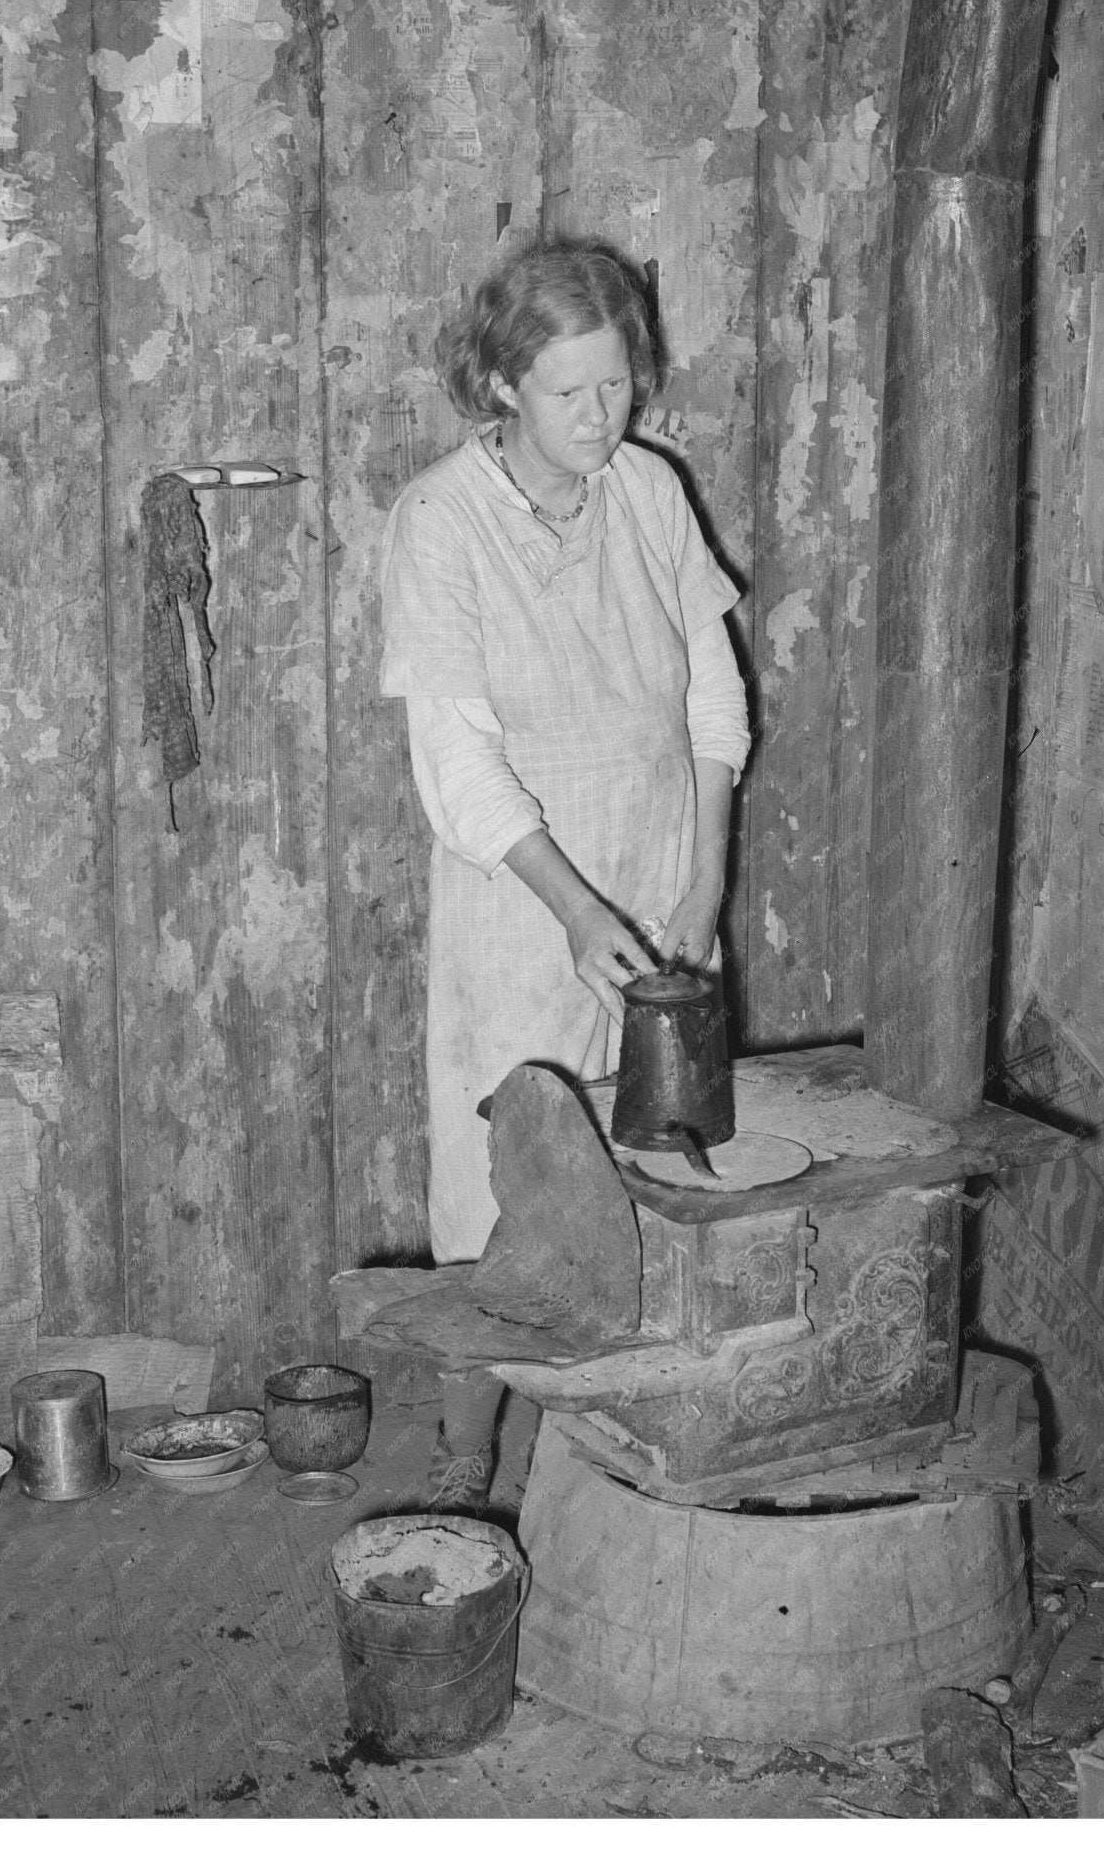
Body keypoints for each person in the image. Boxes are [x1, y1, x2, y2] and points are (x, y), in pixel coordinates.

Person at [378, 236, 751, 1511]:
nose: (603, 418)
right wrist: (579, 910)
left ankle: (636, 1441)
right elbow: (459, 768)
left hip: (662, 887)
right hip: (524, 909)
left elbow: (715, 698)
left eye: (618, 385)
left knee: (664, 1152)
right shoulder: (441, 522)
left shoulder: (648, 491)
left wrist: (701, 878)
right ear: (499, 386)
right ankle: (468, 1449)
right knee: (510, 1176)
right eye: (569, 393)